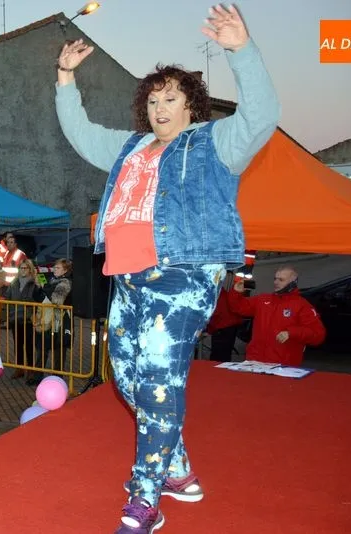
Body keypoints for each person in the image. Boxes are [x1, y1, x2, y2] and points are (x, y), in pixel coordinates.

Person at [54, 5, 280, 532]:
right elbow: (82, 134)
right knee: (128, 381)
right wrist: (65, 79)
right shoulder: (131, 147)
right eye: (153, 100)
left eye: (171, 98)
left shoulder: (214, 143)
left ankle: (145, 499)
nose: (160, 108)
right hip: (127, 279)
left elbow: (261, 115)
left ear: (190, 104)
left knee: (158, 381)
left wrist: (241, 49)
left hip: (183, 275)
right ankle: (177, 470)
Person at [226, 267, 326, 366]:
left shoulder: (302, 305)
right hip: (254, 361)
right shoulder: (263, 299)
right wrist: (236, 293)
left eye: (281, 280)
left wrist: (291, 333)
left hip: (283, 366)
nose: (276, 282)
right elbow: (238, 307)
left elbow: (318, 334)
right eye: (275, 279)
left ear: (293, 283)